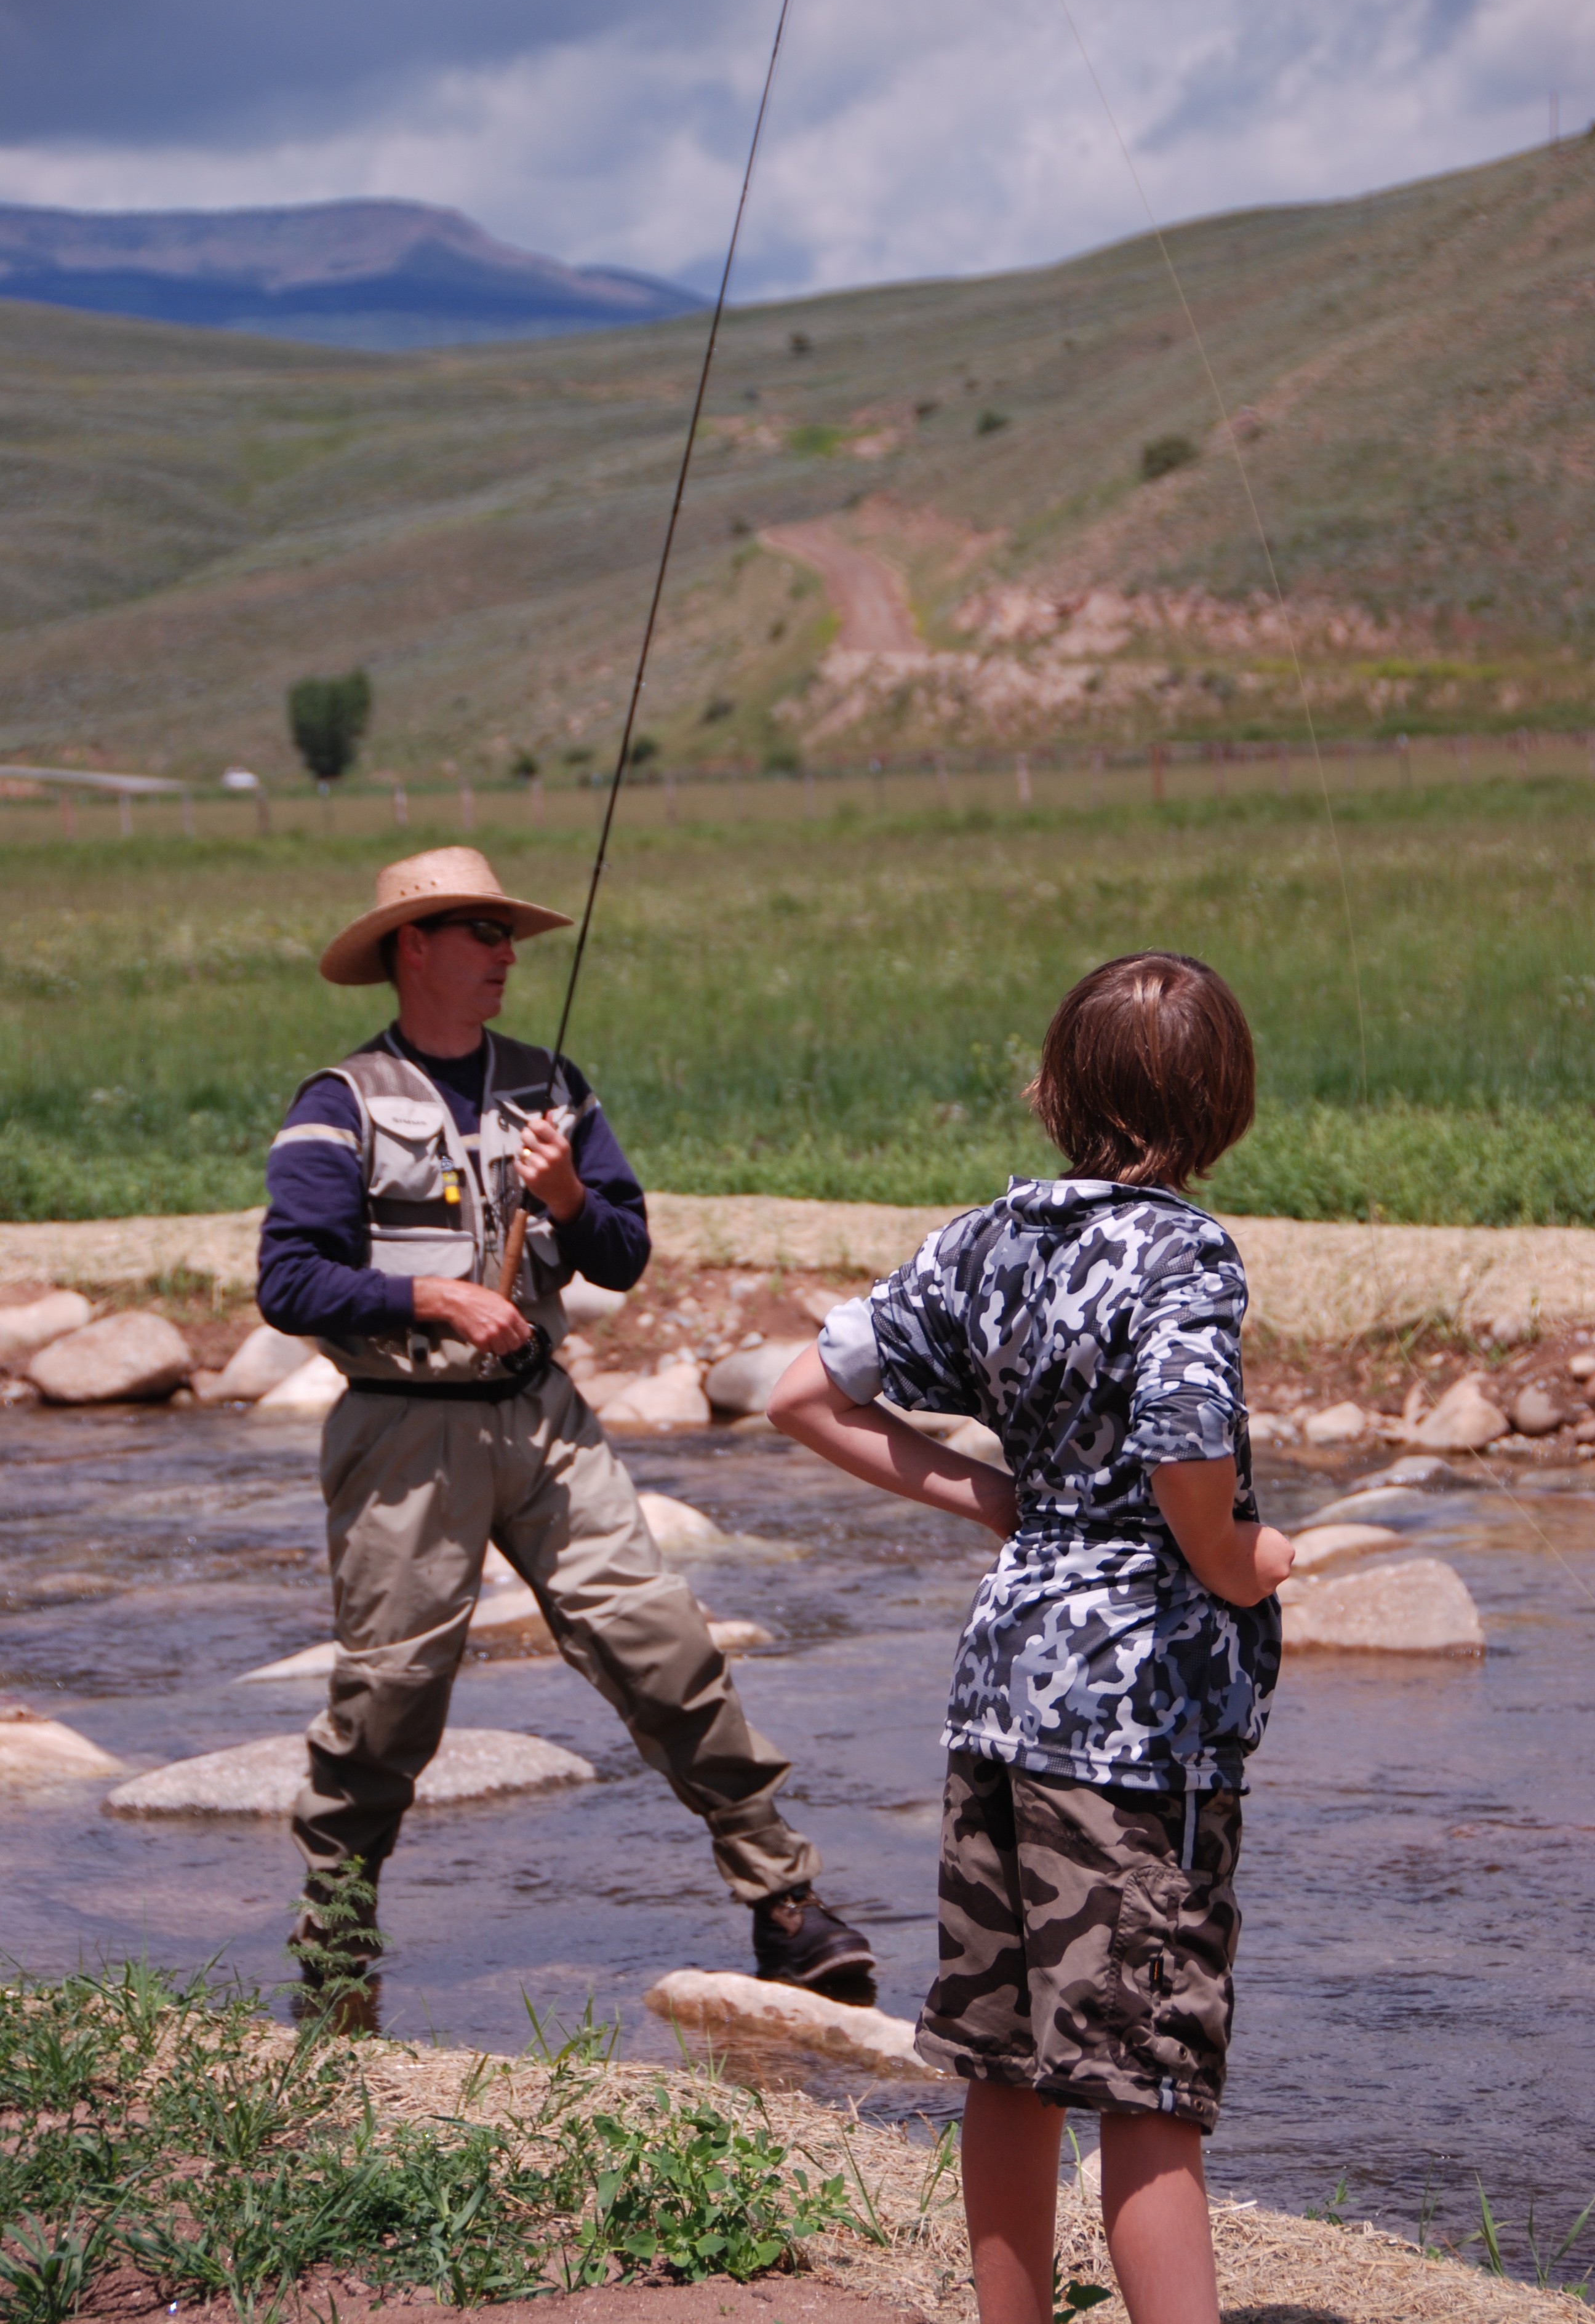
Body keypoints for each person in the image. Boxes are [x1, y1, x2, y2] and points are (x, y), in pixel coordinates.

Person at [769, 952, 1292, 2324]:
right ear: (1225, 1107)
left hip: (1000, 1692)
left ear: (1053, 1090)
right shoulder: (1182, 1250)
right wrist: (1244, 1559)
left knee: (1004, 2058)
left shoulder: (988, 1239)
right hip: (1137, 1723)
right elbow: (1189, 1454)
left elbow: (799, 1392)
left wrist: (990, 1494)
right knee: (1146, 2080)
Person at [257, 845, 873, 1994]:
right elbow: (287, 1281)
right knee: (388, 1697)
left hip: (547, 1420)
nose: (504, 954)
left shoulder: (554, 1084)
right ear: (414, 948)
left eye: (508, 936)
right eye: (481, 933)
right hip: (403, 1434)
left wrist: (571, 1200)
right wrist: (431, 1295)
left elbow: (625, 1256)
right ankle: (338, 1924)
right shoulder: (339, 1104)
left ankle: (785, 1903)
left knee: (664, 1649)